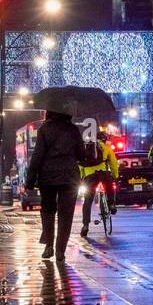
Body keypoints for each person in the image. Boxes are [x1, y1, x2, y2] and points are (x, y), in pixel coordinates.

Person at [24, 104, 86, 263]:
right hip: (69, 177)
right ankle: (60, 251)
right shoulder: (73, 129)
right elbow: (82, 155)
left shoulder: (45, 129)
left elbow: (37, 155)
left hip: (48, 177)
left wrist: (30, 179)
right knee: (66, 215)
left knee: (48, 209)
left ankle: (48, 245)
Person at [79, 129, 119, 236]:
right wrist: (115, 176)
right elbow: (114, 163)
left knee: (87, 201)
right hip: (103, 173)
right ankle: (111, 204)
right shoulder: (106, 148)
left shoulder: (86, 148)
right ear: (105, 140)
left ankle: (85, 225)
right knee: (110, 187)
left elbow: (80, 165)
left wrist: (82, 178)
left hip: (89, 177)